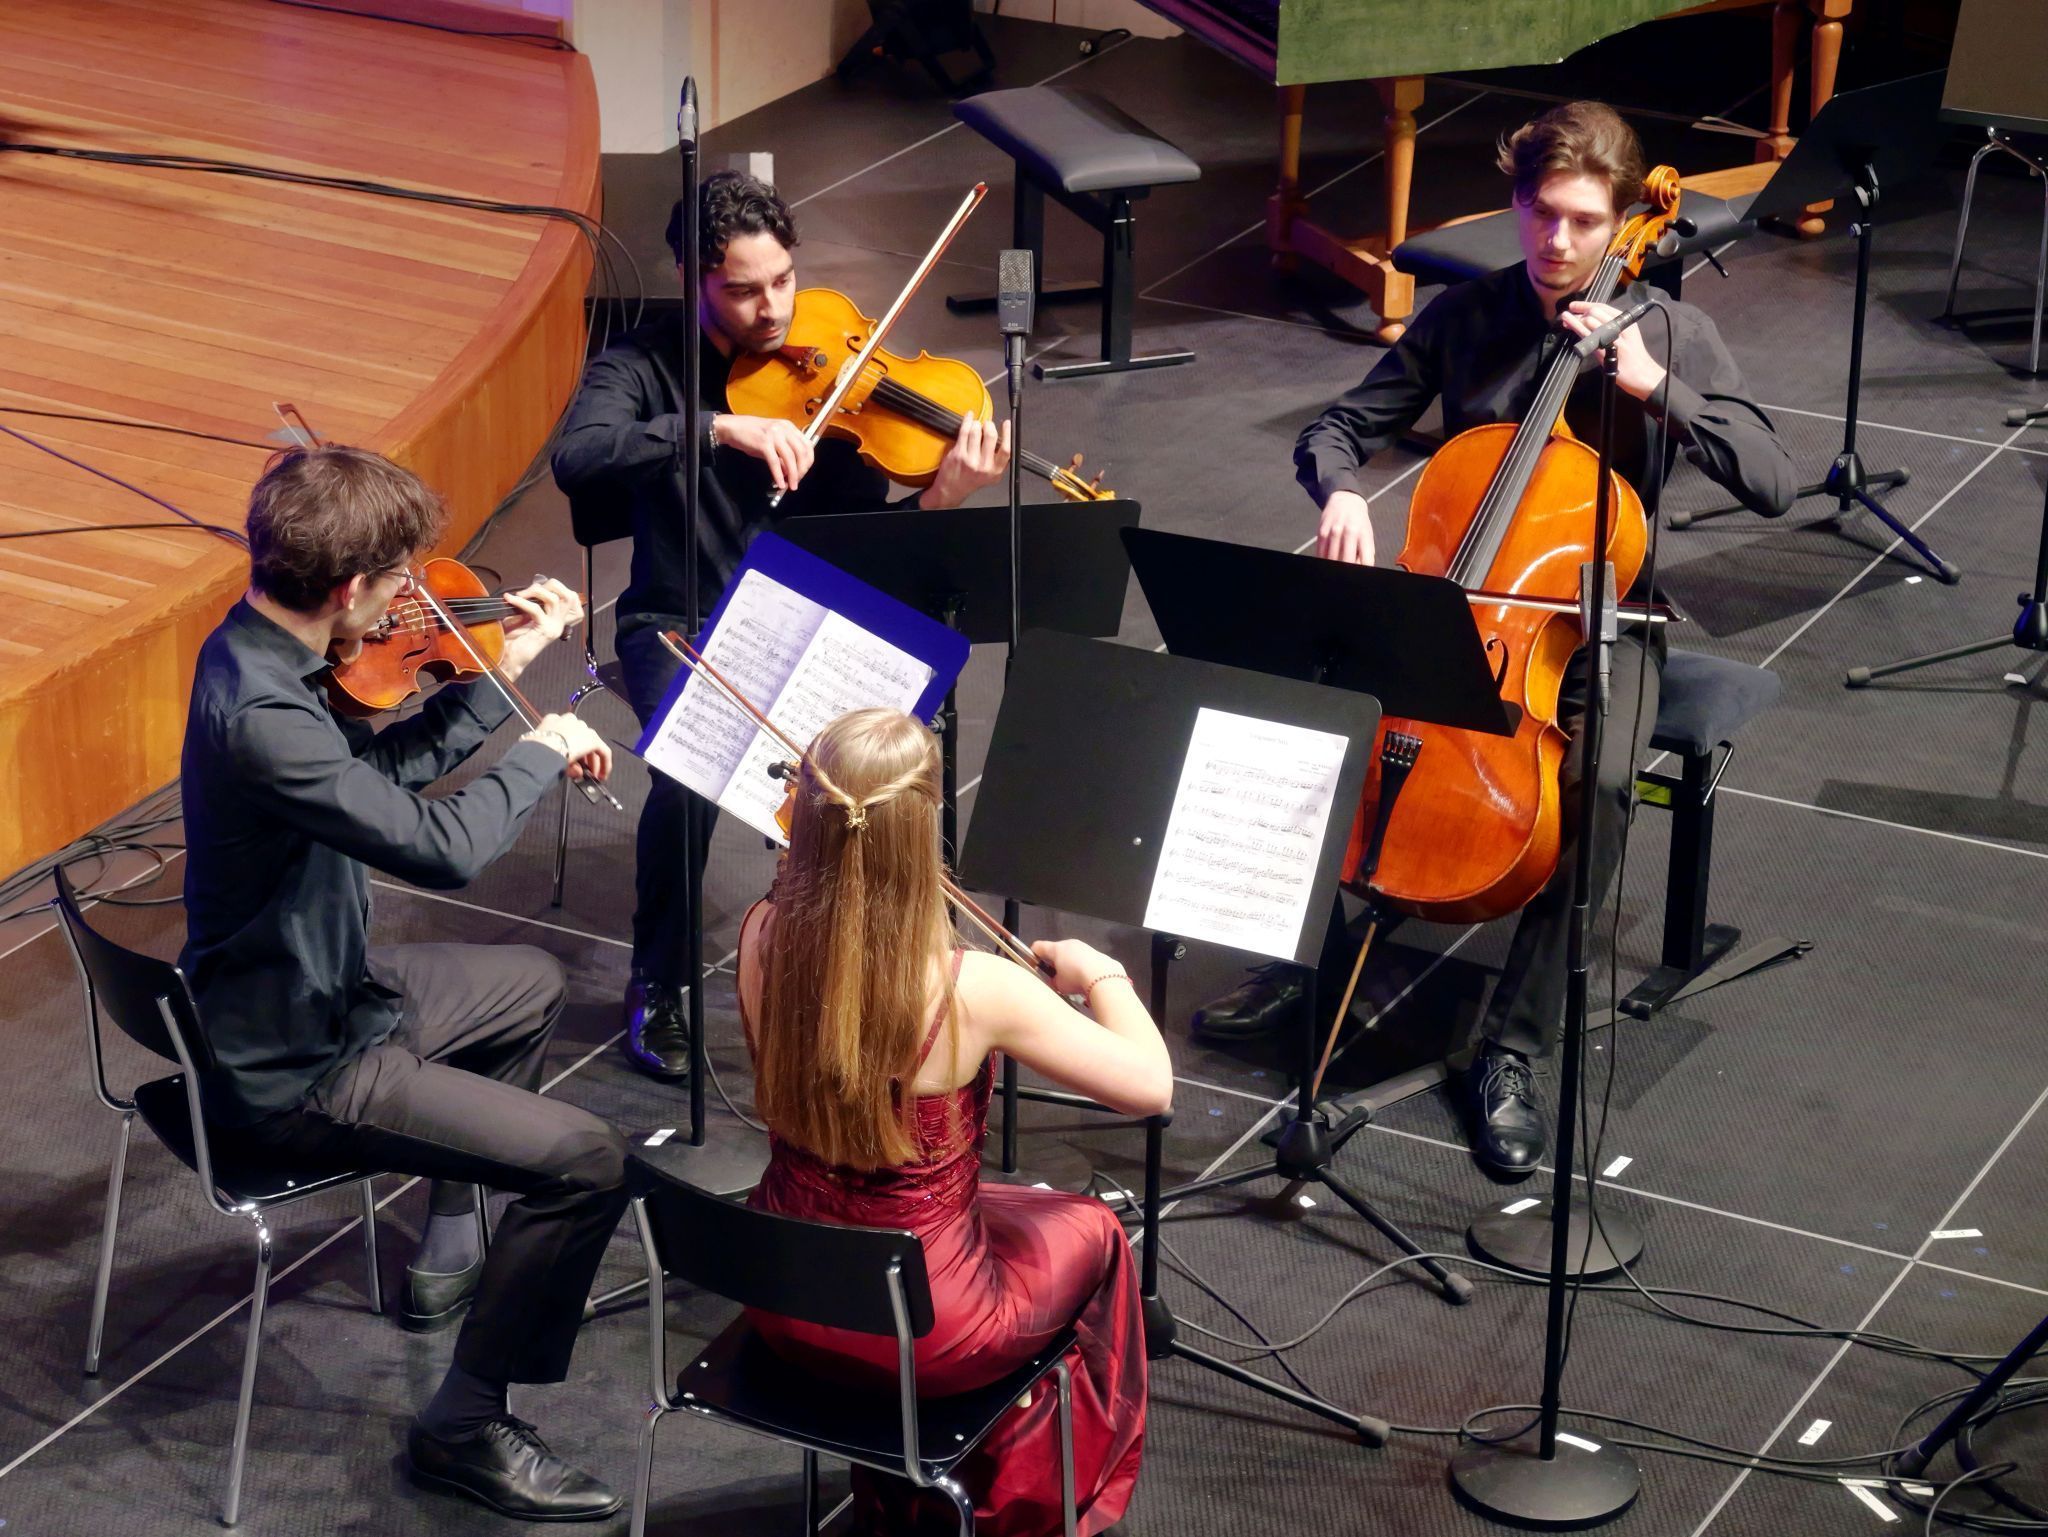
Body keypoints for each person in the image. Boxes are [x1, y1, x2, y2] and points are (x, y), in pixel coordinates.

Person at [1191, 101, 1795, 1179]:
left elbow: (1771, 480)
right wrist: (1339, 494)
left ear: (1619, 223)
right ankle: (1307, 961)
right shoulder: (1462, 316)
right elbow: (1335, 430)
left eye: (1577, 222)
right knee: (1316, 711)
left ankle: (1510, 1047)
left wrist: (1653, 388)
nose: (1554, 244)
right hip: (1452, 599)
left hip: (1597, 622)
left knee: (1599, 789)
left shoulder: (1667, 329)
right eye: (1536, 216)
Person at [182, 445, 630, 1521]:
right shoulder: (264, 719)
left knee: (525, 981)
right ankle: (466, 1424)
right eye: (396, 585)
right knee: (584, 1158)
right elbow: (434, 847)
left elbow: (374, 783)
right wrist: (541, 748)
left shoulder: (257, 651)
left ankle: (452, 1234)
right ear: (349, 590)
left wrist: (501, 671)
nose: (409, 605)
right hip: (299, 1064)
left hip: (332, 989)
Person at [552, 170, 1011, 1084]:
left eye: (784, 282)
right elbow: (577, 455)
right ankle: (663, 979)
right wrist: (716, 426)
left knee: (890, 762)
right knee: (691, 768)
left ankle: (893, 972)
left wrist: (943, 500)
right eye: (744, 289)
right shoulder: (638, 366)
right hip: (681, 618)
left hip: (810, 617)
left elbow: (864, 538)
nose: (772, 311)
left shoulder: (828, 374)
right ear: (692, 279)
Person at [735, 709, 1171, 1536]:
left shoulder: (761, 934)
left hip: (783, 1288)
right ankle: (1024, 1503)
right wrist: (1101, 971)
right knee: (1094, 1231)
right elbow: (1150, 1085)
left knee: (1019, 1221)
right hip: (924, 1331)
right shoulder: (974, 990)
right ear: (922, 827)